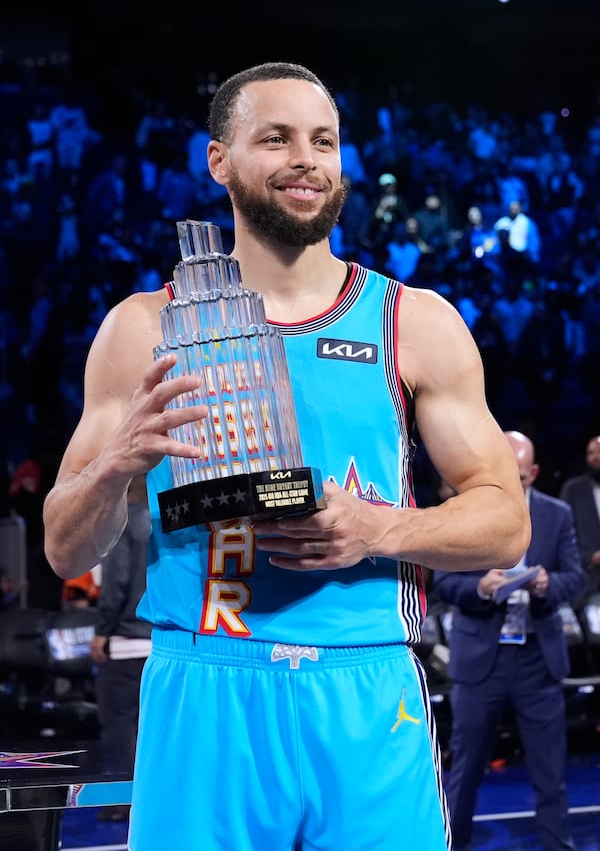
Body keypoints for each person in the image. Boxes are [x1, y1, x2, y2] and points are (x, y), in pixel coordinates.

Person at [43, 62, 530, 851]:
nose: (306, 158)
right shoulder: (143, 327)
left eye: (324, 141)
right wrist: (116, 465)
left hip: (368, 684)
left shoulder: (416, 321)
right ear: (220, 161)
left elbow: (506, 523)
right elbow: (65, 546)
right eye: (276, 139)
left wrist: (379, 529)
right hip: (205, 679)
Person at [433, 430, 584, 851]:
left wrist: (547, 585)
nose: (508, 483)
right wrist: (481, 588)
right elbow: (443, 582)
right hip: (481, 661)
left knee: (550, 773)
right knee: (464, 772)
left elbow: (575, 576)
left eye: (517, 477)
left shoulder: (557, 514)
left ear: (533, 473)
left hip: (538, 660)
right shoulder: (463, 510)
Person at [90, 476, 152, 823]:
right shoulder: (170, 521)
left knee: (119, 724)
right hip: (165, 645)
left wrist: (102, 630)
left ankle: (122, 799)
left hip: (127, 641)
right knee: (154, 727)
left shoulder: (125, 523)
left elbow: (117, 581)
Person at [560, 435, 600, 608]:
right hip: (585, 581)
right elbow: (561, 536)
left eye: (599, 452)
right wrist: (591, 557)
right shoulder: (573, 489)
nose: (595, 457)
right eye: (591, 453)